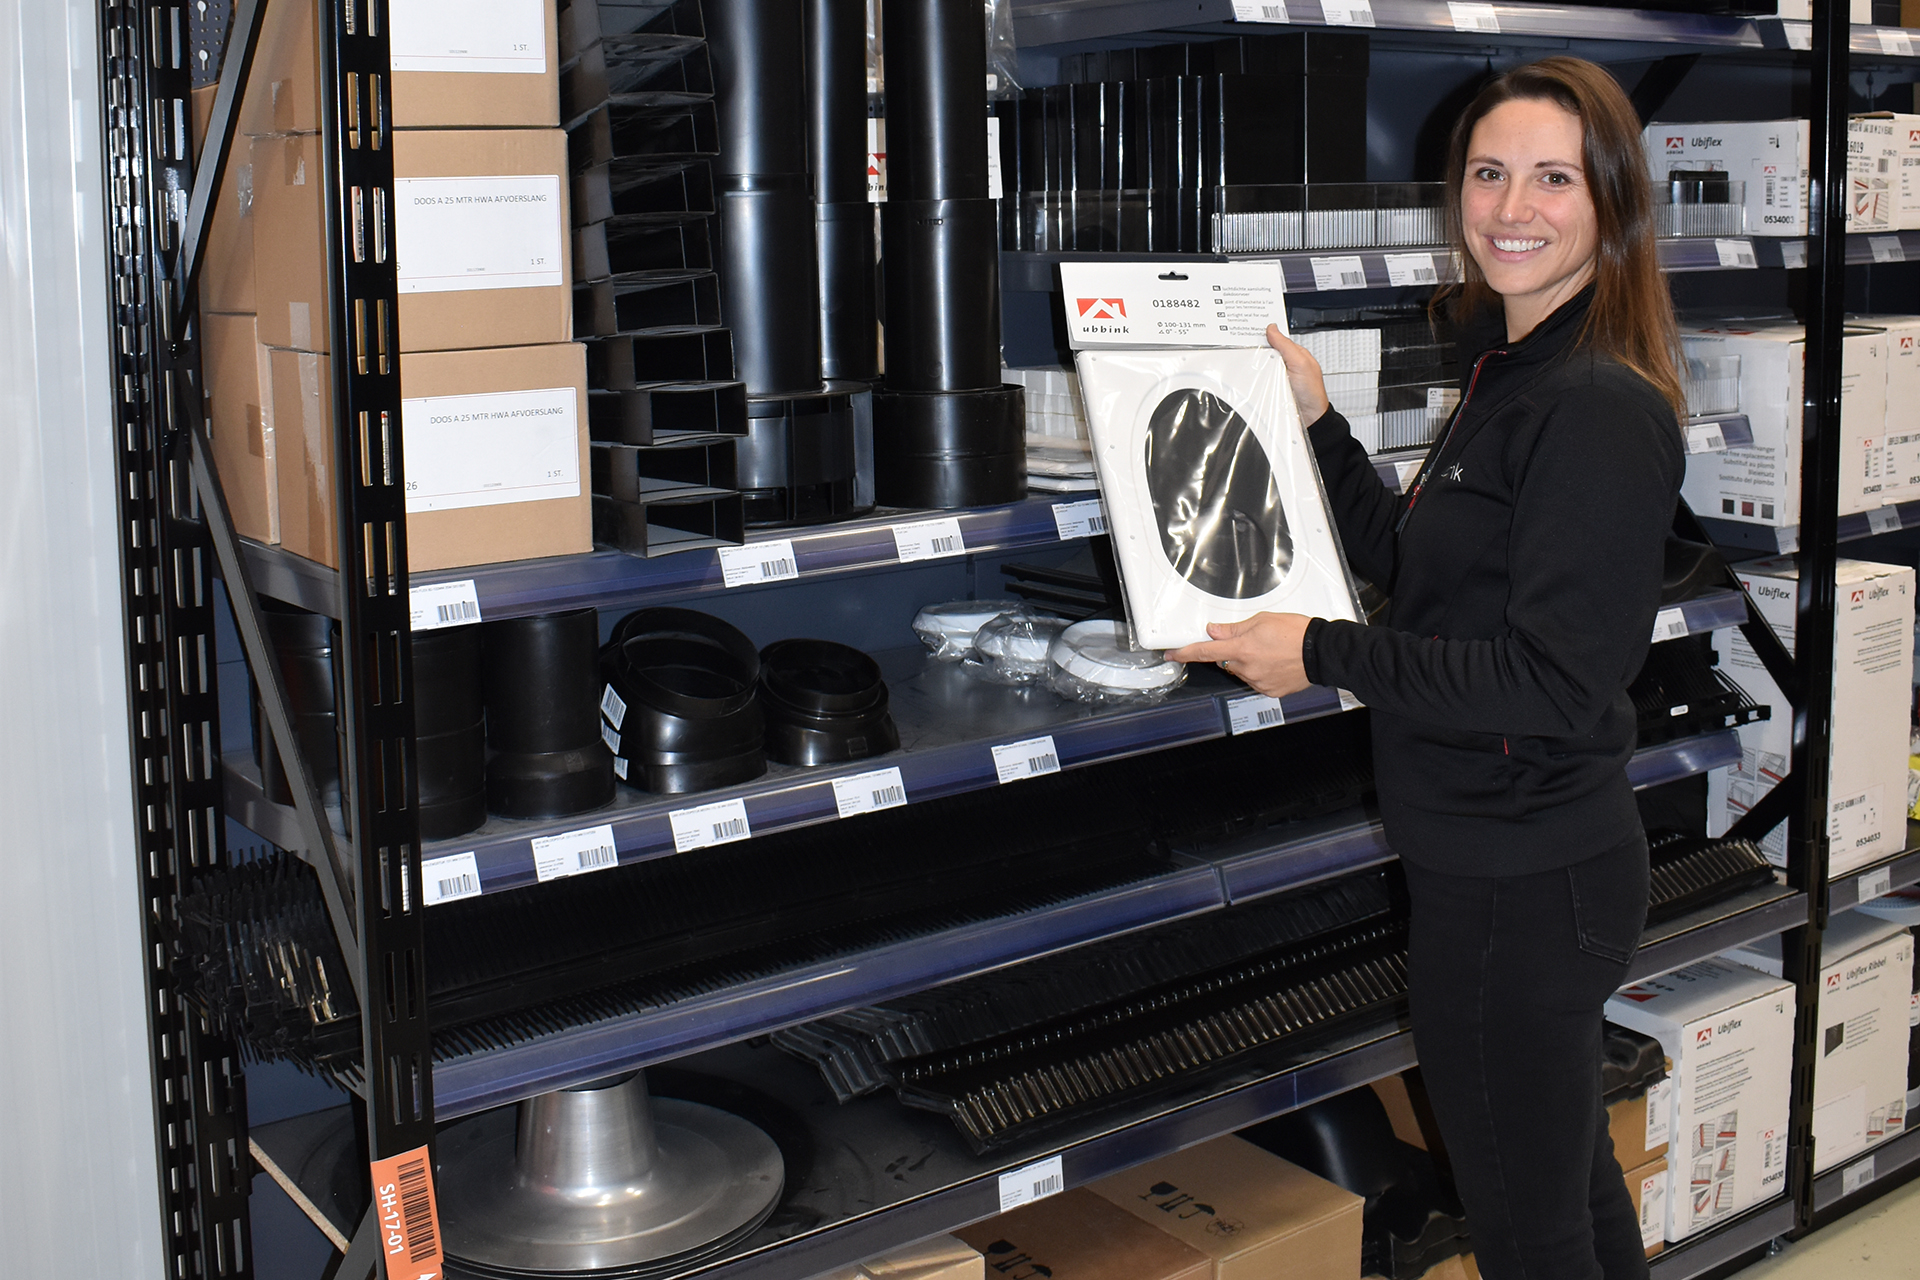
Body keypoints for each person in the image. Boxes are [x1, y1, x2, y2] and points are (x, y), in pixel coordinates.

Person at [1168, 57, 1686, 1280]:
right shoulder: (1519, 371)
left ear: (1612, 199)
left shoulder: (1594, 406)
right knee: (1569, 1193)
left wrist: (1319, 652)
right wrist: (1318, 426)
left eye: (1554, 178)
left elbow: (1552, 682)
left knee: (1529, 1229)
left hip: (1523, 881)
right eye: (1489, 173)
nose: (1512, 207)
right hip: (1510, 864)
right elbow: (1421, 570)